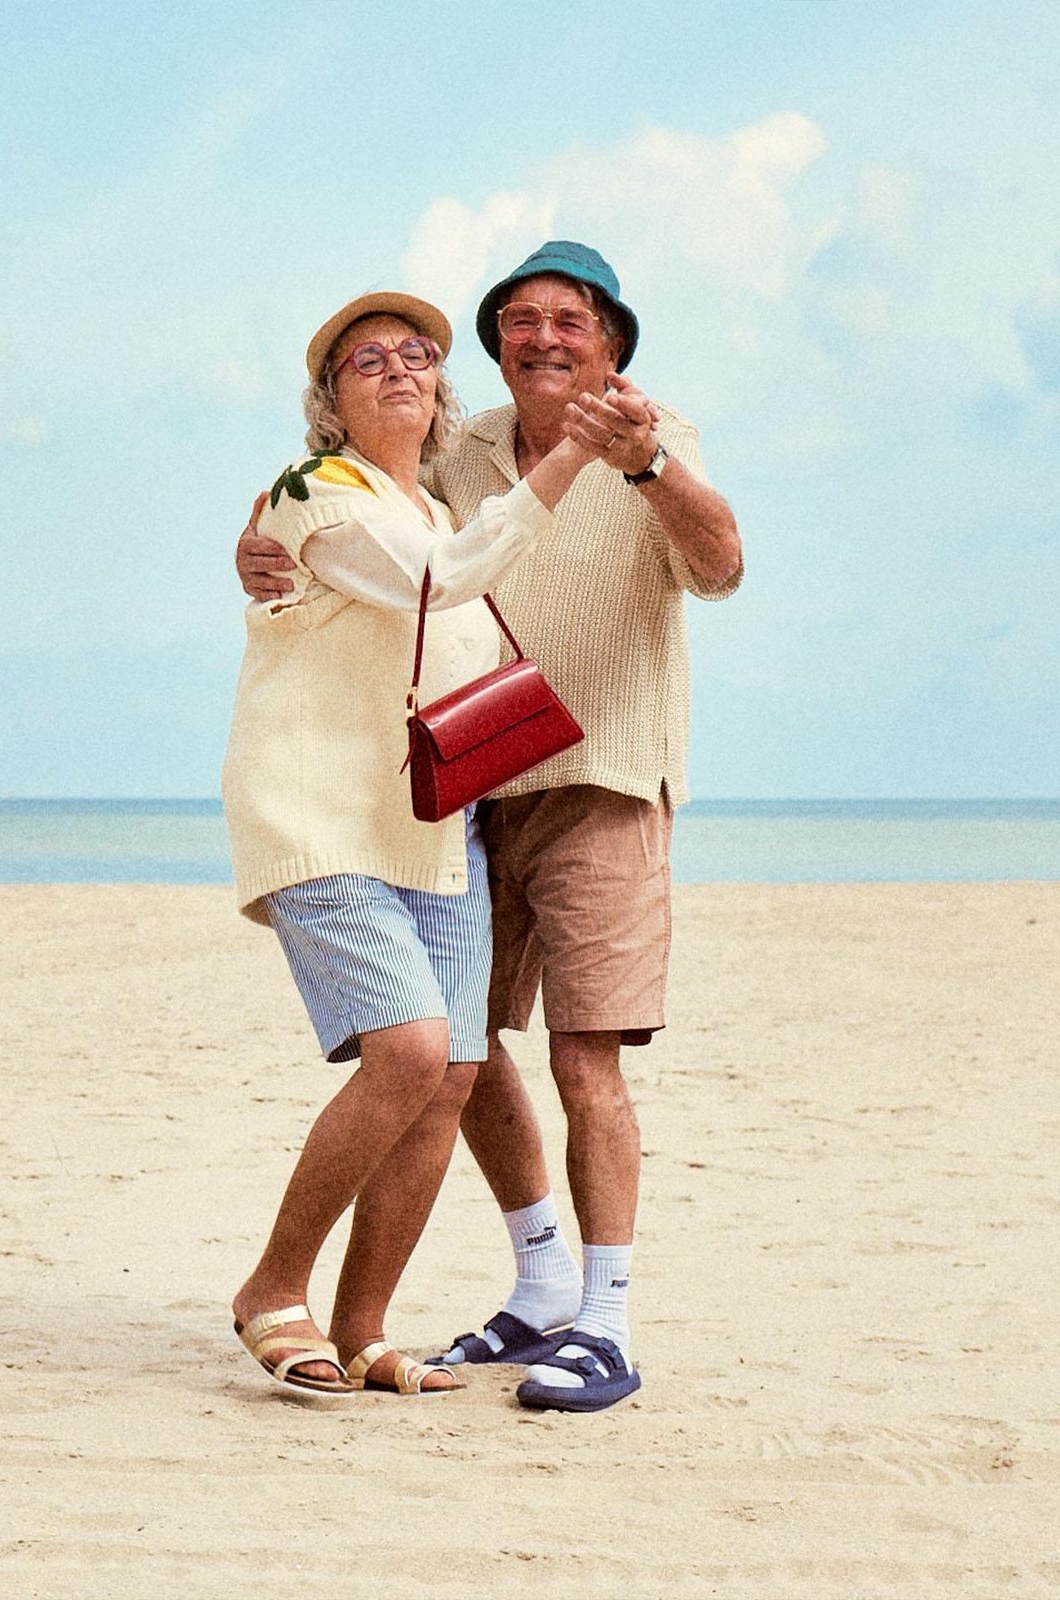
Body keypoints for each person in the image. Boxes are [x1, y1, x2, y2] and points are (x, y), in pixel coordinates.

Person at [237, 242, 743, 1411]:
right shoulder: (453, 456)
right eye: (518, 320)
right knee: (464, 1059)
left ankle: (602, 1320)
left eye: (569, 320)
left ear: (610, 341)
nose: (543, 337)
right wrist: (254, 537)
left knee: (581, 1052)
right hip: (462, 796)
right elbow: (363, 525)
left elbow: (718, 568)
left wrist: (645, 462)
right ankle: (537, 1282)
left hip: (603, 776)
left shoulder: (657, 432)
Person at [225, 290, 596, 1397]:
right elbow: (433, 586)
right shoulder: (309, 494)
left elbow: (451, 574)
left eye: (417, 354)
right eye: (364, 359)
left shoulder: (436, 508)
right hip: (318, 818)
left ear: (438, 390)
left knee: (456, 1070)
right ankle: (270, 1288)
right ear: (329, 402)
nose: (396, 366)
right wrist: (566, 461)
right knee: (409, 1051)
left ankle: (363, 1323)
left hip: (437, 828)